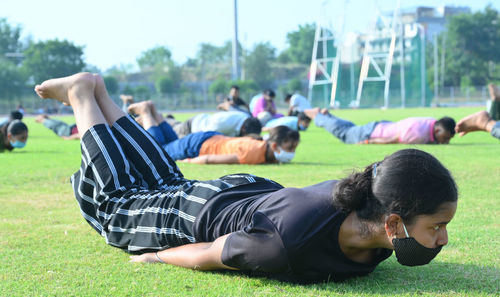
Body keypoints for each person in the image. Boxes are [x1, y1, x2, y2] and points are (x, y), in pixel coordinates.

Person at [34, 72, 458, 283]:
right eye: (436, 227)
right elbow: (211, 252)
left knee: (164, 180)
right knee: (119, 207)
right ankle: (81, 97)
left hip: (248, 194)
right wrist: (155, 256)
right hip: (211, 212)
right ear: (393, 223)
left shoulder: (366, 204)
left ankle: (99, 92)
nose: (442, 239)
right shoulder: (288, 246)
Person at [128, 100, 298, 164]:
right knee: (162, 150)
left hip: (207, 138)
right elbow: (210, 159)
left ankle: (153, 111)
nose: (291, 154)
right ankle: (145, 112)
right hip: (199, 147)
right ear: (274, 145)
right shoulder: (254, 153)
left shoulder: (259, 144)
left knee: (171, 143)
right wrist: (189, 162)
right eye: (289, 148)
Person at [304, 108, 456, 144]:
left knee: (350, 129)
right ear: (437, 130)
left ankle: (327, 115)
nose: (446, 141)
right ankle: (316, 115)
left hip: (380, 126)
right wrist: (369, 142)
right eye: (446, 137)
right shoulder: (418, 133)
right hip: (374, 133)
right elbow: (394, 139)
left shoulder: (430, 121)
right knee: (345, 134)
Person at [155, 106, 261, 138]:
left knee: (175, 125)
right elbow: (205, 136)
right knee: (170, 131)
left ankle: (166, 118)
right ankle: (153, 117)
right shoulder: (224, 124)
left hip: (199, 121)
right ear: (244, 129)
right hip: (193, 127)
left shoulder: (246, 119)